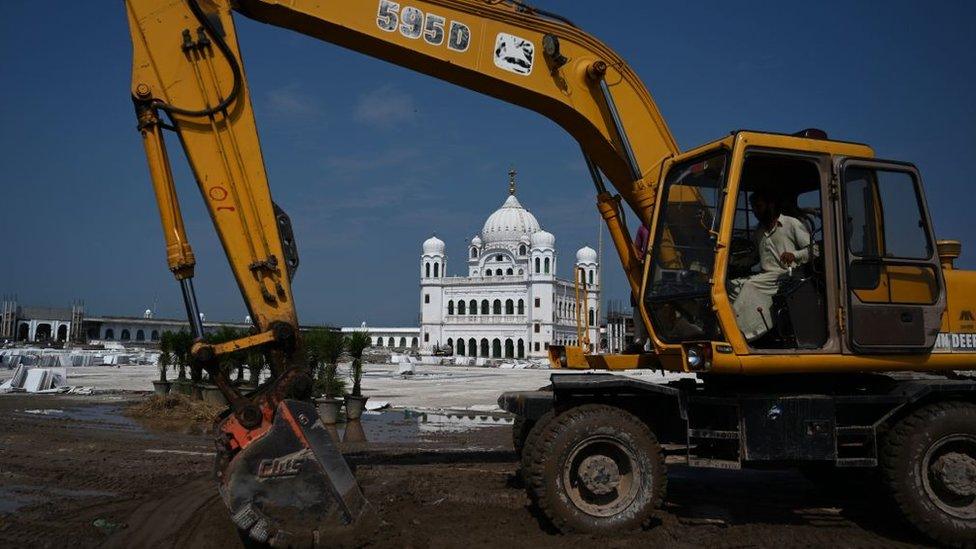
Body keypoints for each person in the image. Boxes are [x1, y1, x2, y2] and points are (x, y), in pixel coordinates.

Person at [728, 189, 811, 341]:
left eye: (758, 207)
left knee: (750, 285)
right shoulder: (758, 232)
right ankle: (758, 324)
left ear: (770, 205)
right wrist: (733, 262)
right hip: (767, 277)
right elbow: (754, 258)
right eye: (753, 208)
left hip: (788, 275)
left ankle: (736, 333)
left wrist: (794, 255)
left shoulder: (791, 224)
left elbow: (814, 250)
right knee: (731, 285)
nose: (755, 212)